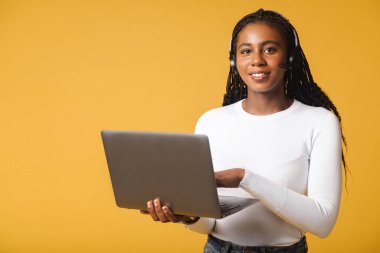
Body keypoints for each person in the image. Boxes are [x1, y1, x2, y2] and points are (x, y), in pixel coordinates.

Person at [140, 9, 347, 253]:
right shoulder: (211, 122)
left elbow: (323, 222)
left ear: (289, 58)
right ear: (234, 60)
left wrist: (244, 178)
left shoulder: (319, 122)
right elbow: (210, 224)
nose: (257, 60)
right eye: (246, 51)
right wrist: (187, 216)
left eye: (269, 49)